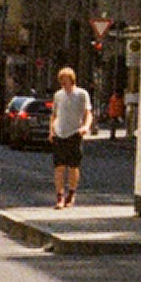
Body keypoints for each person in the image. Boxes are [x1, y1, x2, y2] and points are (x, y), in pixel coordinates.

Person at [48, 67, 92, 209]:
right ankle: (60, 196)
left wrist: (85, 127)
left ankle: (71, 194)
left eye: (65, 81)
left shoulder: (81, 94)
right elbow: (54, 115)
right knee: (59, 167)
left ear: (72, 80)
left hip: (74, 133)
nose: (63, 84)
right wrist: (51, 131)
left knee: (73, 166)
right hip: (60, 132)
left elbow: (88, 113)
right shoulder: (58, 95)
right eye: (61, 81)